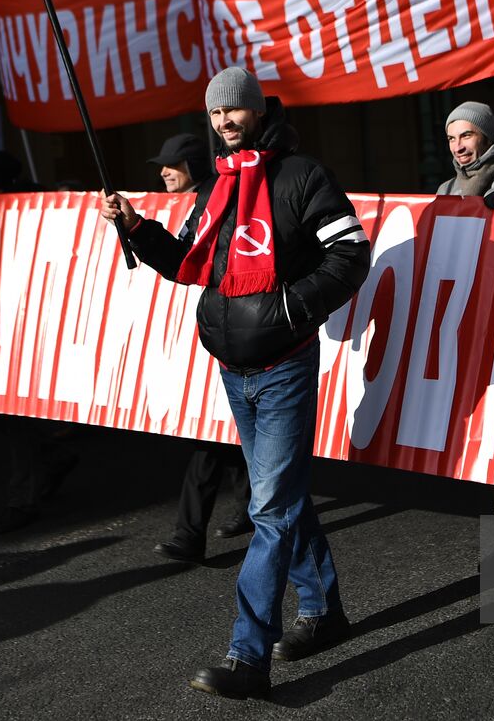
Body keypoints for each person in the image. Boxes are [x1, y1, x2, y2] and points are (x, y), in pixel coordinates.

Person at [101, 67, 370, 699]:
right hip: (233, 369)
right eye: (216, 115)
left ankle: (248, 658)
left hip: (283, 368)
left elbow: (350, 254)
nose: (225, 122)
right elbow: (188, 264)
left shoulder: (301, 176)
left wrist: (291, 308)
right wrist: (137, 227)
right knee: (286, 500)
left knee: (269, 511)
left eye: (235, 112)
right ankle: (324, 611)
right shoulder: (219, 184)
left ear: (256, 111)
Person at [143, 132, 255, 564]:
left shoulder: (215, 198)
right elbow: (179, 258)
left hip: (228, 327)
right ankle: (250, 506)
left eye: (173, 163)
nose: (164, 172)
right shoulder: (194, 200)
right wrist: (136, 226)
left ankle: (191, 533)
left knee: (214, 434)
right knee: (224, 431)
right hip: (197, 331)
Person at [0, 151, 80, 533]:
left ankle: (23, 500)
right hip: (0, 328)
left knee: (12, 413)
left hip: (26, 329)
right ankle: (53, 453)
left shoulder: (34, 211)